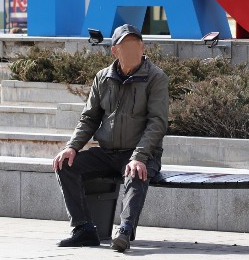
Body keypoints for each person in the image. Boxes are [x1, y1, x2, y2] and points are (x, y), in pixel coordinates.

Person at [52, 24, 169, 252]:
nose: (132, 50)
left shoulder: (156, 77)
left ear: (143, 48)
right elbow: (89, 118)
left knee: (136, 171)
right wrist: (72, 147)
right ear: (115, 51)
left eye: (136, 45)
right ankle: (83, 229)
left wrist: (139, 156)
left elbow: (157, 123)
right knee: (65, 164)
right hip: (108, 153)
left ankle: (125, 230)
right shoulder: (102, 77)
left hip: (143, 154)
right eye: (126, 46)